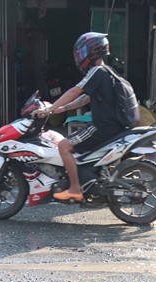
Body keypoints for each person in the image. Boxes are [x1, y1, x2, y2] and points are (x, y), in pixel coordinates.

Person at [32, 32, 126, 203]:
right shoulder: (107, 71)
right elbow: (85, 98)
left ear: (91, 53)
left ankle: (75, 189)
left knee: (64, 145)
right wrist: (61, 109)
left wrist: (49, 109)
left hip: (102, 127)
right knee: (76, 147)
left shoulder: (96, 71)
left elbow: (76, 91)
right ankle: (88, 180)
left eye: (82, 52)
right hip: (111, 126)